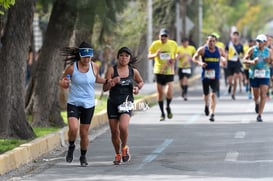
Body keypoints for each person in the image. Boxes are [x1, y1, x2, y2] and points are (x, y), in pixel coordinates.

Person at [59, 41, 110, 167]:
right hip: (74, 102)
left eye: (89, 56)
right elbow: (63, 81)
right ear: (80, 55)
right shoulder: (72, 68)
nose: (87, 59)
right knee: (74, 128)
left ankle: (83, 156)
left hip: (88, 104)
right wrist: (64, 83)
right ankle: (71, 146)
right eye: (84, 56)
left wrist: (107, 81)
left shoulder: (94, 66)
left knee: (84, 133)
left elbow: (96, 78)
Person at [103, 47, 144, 165]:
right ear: (118, 57)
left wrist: (137, 88)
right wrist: (111, 83)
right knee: (114, 132)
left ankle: (124, 147)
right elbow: (105, 88)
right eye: (121, 55)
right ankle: (117, 154)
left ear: (129, 58)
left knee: (123, 127)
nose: (124, 58)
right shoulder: (112, 70)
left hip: (126, 102)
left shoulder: (133, 71)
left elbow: (140, 82)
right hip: (113, 103)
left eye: (126, 56)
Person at [192, 34, 226, 122]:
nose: (211, 43)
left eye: (213, 41)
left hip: (215, 76)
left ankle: (212, 113)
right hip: (205, 75)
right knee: (206, 94)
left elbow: (224, 57)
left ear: (216, 42)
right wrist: (200, 63)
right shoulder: (202, 50)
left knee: (213, 94)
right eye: (210, 41)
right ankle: (206, 105)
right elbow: (194, 58)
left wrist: (223, 60)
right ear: (206, 41)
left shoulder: (219, 50)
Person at [148, 28, 178, 121]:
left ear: (168, 37)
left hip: (169, 71)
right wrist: (155, 54)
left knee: (169, 92)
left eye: (165, 36)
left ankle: (168, 107)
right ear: (159, 36)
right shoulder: (155, 44)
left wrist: (174, 59)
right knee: (160, 93)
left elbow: (176, 54)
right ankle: (162, 113)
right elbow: (149, 56)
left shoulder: (173, 44)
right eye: (162, 36)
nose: (163, 38)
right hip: (158, 71)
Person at [243, 34, 272, 122]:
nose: (258, 43)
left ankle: (259, 115)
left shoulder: (269, 51)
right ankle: (256, 103)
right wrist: (251, 61)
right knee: (255, 95)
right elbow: (244, 60)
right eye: (257, 41)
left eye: (260, 41)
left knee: (263, 94)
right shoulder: (252, 50)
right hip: (254, 75)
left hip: (265, 75)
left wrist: (270, 61)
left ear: (265, 43)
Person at [225, 31, 244, 100]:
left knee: (235, 79)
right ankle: (230, 85)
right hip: (230, 63)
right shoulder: (228, 44)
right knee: (230, 81)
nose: (235, 37)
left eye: (236, 35)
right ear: (232, 36)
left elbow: (243, 54)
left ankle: (233, 93)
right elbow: (226, 52)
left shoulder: (240, 45)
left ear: (238, 37)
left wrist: (241, 57)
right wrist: (226, 58)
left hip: (237, 64)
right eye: (234, 35)